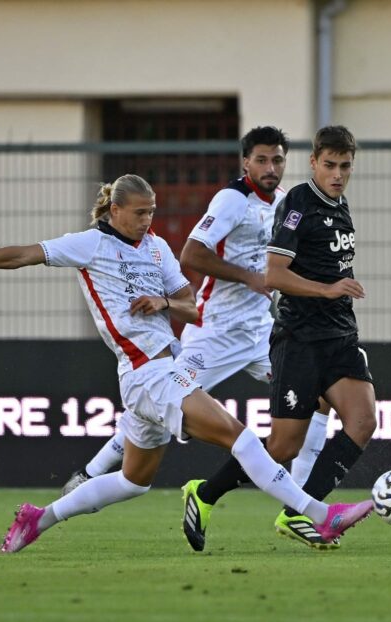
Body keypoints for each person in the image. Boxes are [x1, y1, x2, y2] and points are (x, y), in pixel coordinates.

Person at [0, 174, 372, 553]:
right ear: (114, 210)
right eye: (138, 213)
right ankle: (318, 514)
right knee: (239, 436)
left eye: (151, 211)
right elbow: (23, 255)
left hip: (163, 371)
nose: (147, 220)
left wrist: (164, 302)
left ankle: (38, 518)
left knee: (134, 481)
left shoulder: (156, 249)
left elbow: (191, 308)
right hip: (146, 373)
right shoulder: (90, 245)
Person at [58, 126, 339, 551]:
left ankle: (296, 512)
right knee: (158, 406)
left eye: (278, 160)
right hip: (213, 332)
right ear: (246, 162)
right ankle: (92, 472)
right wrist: (249, 276)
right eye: (261, 159)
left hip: (260, 331)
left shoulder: (283, 204)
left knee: (319, 396)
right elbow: (193, 254)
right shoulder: (231, 200)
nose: (270, 167)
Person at [181, 125, 377, 551]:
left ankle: (299, 515)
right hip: (300, 338)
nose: (338, 174)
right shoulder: (297, 205)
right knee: (282, 446)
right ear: (313, 163)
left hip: (339, 335)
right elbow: (275, 275)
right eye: (329, 165)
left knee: (363, 420)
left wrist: (336, 293)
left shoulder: (340, 207)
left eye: (345, 166)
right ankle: (205, 493)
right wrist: (329, 289)